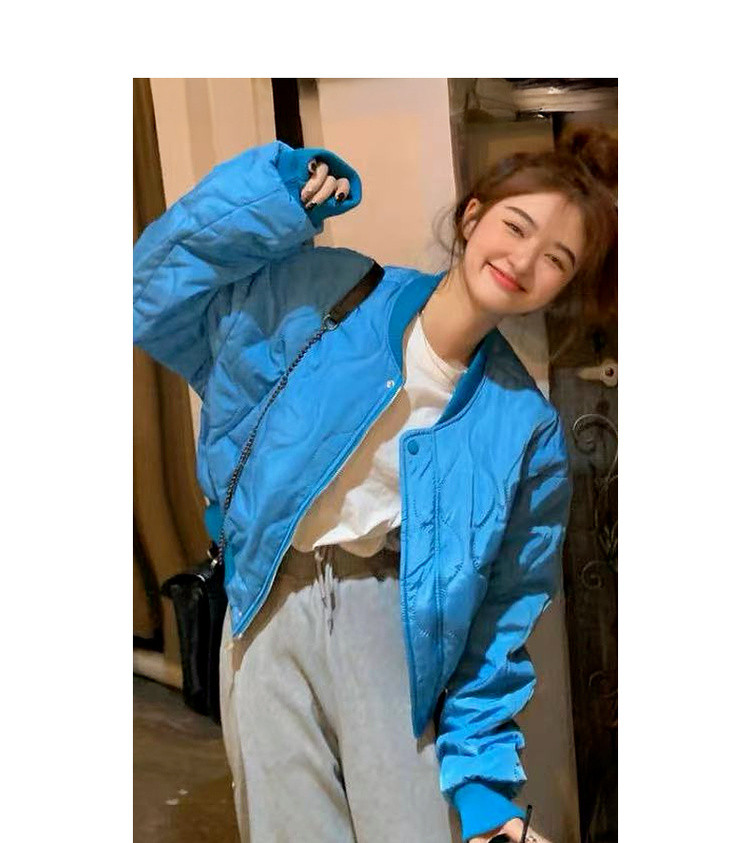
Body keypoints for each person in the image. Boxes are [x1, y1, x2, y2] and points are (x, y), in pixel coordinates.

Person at [133, 124, 617, 843]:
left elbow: (499, 621)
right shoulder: (329, 292)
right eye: (516, 227)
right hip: (267, 603)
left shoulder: (524, 427)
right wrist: (270, 198)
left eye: (556, 259)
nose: (523, 261)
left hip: (392, 629)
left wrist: (484, 791)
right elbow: (151, 296)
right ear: (473, 216)